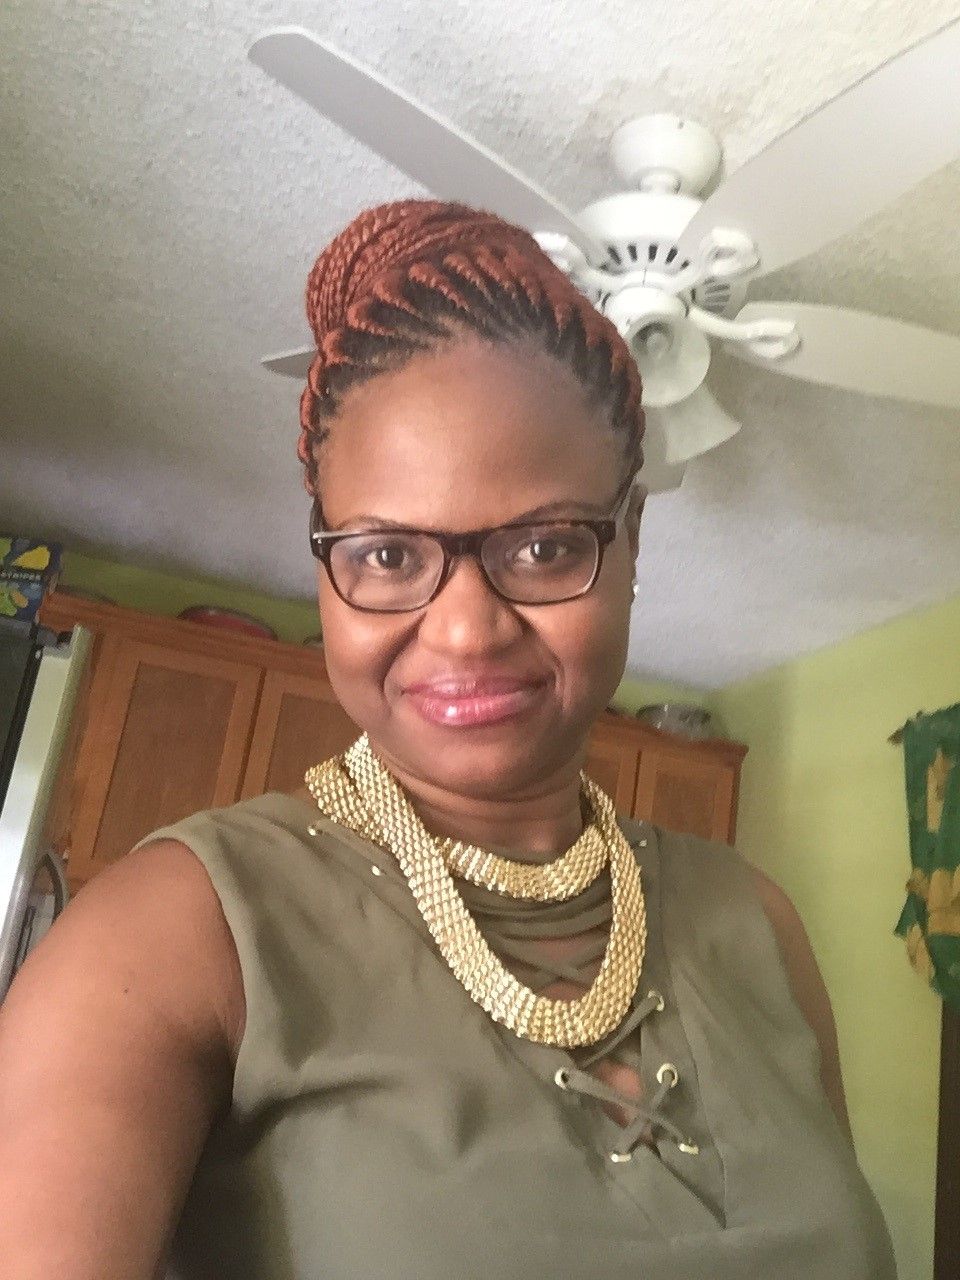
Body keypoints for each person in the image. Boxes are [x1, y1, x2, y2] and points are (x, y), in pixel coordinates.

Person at [0, 200, 895, 1279]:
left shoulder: (760, 922)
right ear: (326, 564)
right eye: (386, 556)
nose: (467, 629)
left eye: (545, 544)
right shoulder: (174, 933)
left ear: (630, 541)